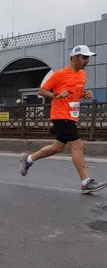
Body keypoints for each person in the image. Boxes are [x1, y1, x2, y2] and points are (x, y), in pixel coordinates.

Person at [20, 44, 106, 193]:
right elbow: (42, 91)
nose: (87, 61)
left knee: (57, 148)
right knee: (77, 144)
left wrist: (84, 94)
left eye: (88, 58)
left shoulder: (82, 75)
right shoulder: (60, 74)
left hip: (72, 116)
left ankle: (28, 159)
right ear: (74, 58)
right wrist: (56, 95)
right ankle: (86, 182)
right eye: (85, 57)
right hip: (60, 115)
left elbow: (76, 93)